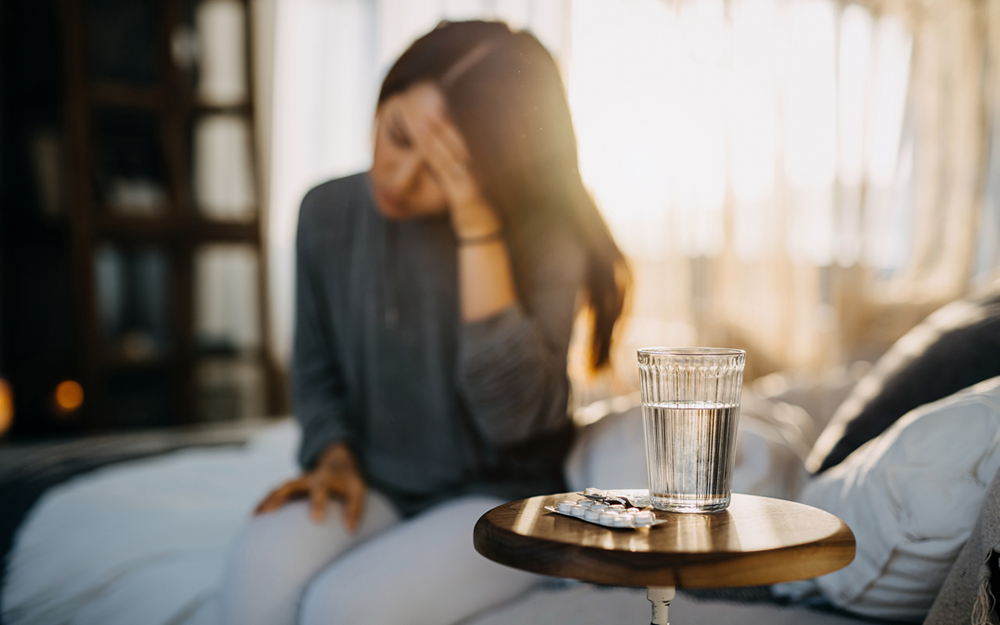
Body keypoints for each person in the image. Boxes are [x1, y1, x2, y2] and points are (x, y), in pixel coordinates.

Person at [221, 20, 629, 625]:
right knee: (261, 566)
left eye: (443, 169)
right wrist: (332, 456)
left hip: (502, 497)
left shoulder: (545, 237)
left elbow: (516, 421)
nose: (399, 176)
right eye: (398, 135)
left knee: (345, 609)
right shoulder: (326, 212)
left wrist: (476, 230)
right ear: (384, 97)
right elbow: (316, 372)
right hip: (376, 483)